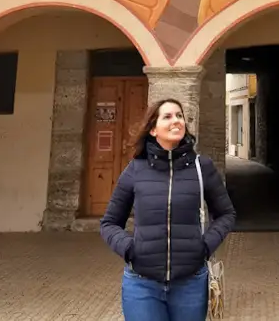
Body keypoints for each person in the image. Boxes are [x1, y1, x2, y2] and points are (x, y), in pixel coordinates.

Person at [100, 98, 236, 321]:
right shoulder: (136, 169)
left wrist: (204, 247)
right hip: (142, 285)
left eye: (179, 116)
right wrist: (130, 249)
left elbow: (226, 214)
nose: (176, 121)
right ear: (153, 129)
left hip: (190, 284)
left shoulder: (202, 167)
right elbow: (109, 223)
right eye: (168, 116)